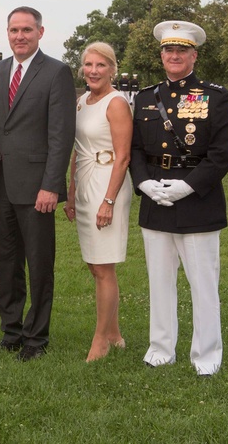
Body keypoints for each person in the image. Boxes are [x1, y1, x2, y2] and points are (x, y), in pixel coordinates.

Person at [129, 20, 228, 376]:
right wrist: (143, 184)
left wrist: (188, 186)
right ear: (161, 55)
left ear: (193, 55)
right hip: (155, 198)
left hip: (197, 201)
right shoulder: (146, 98)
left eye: (181, 50)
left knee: (203, 285)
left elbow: (222, 153)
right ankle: (161, 349)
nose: (174, 56)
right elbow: (133, 149)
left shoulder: (214, 96)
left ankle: (206, 356)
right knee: (159, 283)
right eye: (168, 50)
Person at [0, 6, 76, 361]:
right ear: (7, 33)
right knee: (6, 262)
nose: (19, 36)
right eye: (13, 30)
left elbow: (61, 135)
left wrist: (52, 185)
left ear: (40, 32)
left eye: (26, 30)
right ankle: (11, 330)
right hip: (0, 183)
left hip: (38, 187)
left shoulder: (56, 72)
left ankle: (36, 337)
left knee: (38, 263)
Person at [62, 42, 133, 362]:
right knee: (95, 264)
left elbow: (124, 157)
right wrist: (72, 190)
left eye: (101, 65)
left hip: (109, 182)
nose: (93, 70)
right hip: (86, 180)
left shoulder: (116, 103)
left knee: (104, 266)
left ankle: (101, 338)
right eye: (88, 65)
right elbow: (78, 148)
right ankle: (115, 333)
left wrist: (108, 201)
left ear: (112, 68)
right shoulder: (81, 102)